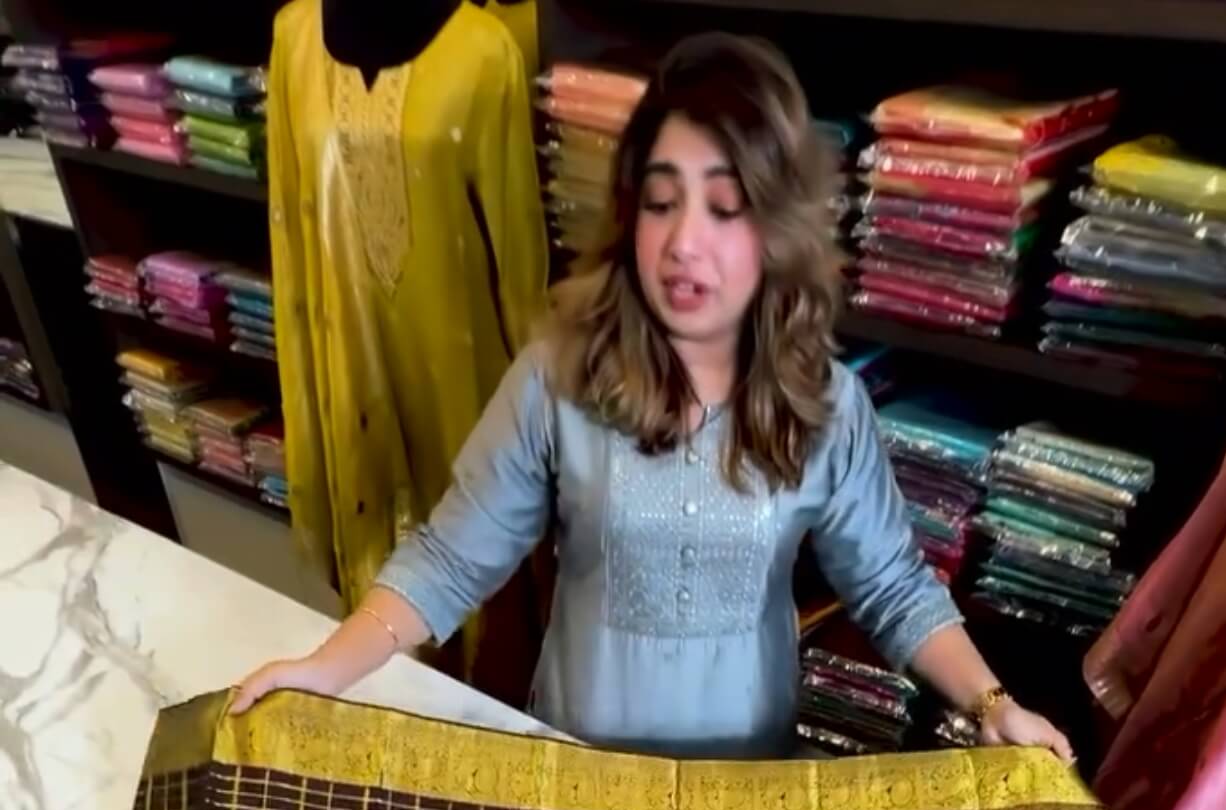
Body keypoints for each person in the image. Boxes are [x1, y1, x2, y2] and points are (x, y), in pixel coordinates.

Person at [232, 33, 1073, 764]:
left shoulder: (825, 403)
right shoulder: (557, 380)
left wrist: (993, 705)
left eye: (724, 208)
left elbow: (892, 585)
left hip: (746, 792)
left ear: (776, 231)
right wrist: (326, 668)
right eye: (662, 203)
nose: (683, 243)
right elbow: (452, 558)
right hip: (579, 778)